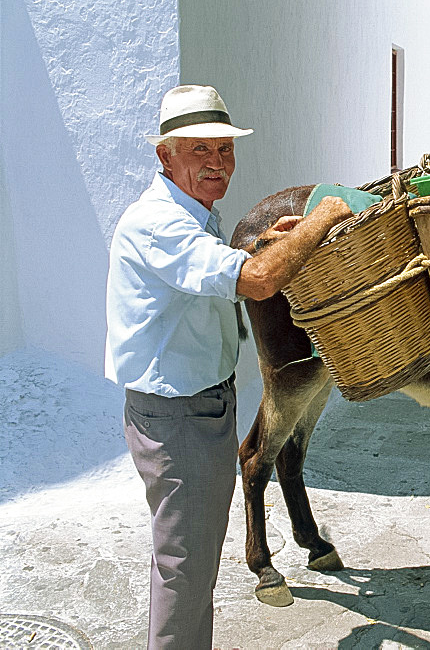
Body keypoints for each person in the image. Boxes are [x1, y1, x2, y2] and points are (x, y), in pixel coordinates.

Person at [105, 84, 352, 649]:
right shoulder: (158, 223)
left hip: (202, 408)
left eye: (224, 150)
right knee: (185, 569)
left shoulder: (194, 215)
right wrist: (322, 220)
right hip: (178, 419)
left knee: (193, 566)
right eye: (198, 151)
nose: (216, 163)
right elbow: (259, 281)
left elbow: (226, 266)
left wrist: (270, 238)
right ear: (165, 156)